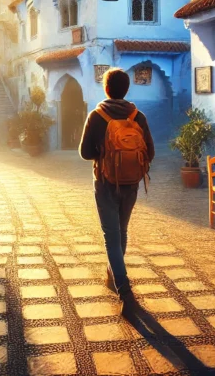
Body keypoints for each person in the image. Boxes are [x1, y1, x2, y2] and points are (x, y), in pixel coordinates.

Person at [79, 68, 154, 315]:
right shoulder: (138, 116)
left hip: (105, 183)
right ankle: (113, 274)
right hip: (131, 183)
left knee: (111, 236)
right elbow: (150, 152)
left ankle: (125, 291)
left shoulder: (96, 115)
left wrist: (105, 153)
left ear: (106, 89)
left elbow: (85, 153)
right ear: (126, 89)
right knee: (121, 232)